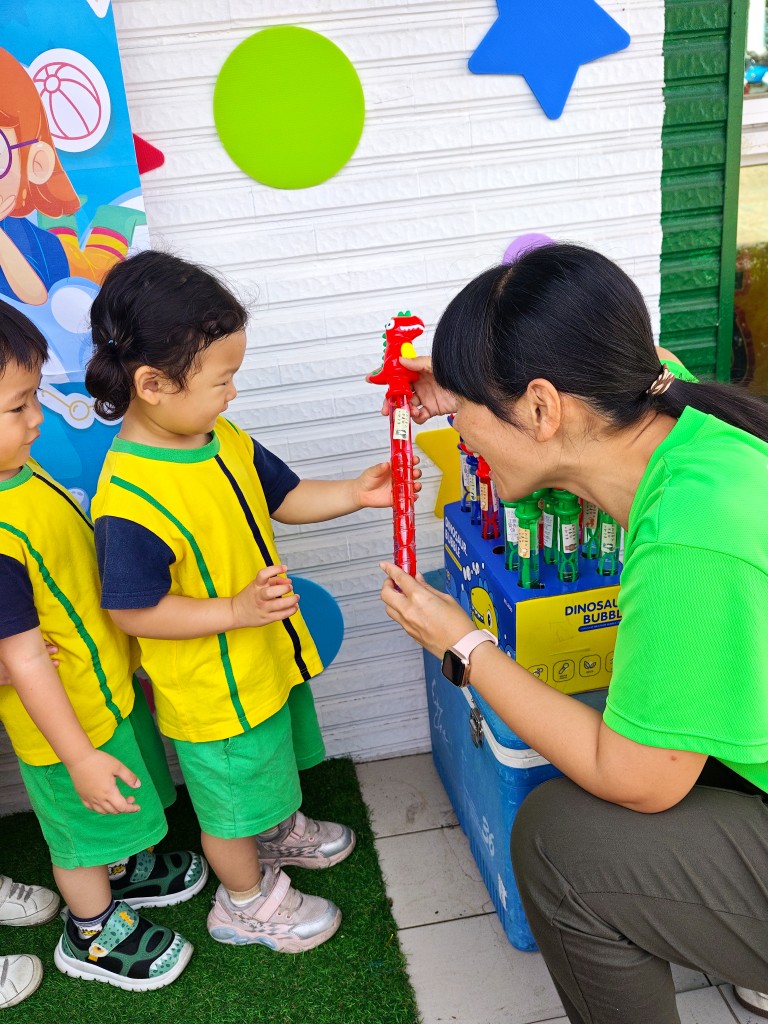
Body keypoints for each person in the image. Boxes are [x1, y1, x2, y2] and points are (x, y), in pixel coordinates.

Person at [378, 243, 768, 1024]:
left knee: (562, 844)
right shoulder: (681, 414)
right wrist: (455, 380)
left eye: (459, 417)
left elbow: (637, 778)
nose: (460, 436)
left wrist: (465, 646)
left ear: (542, 409)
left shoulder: (689, 537)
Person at [86, 250, 418, 953]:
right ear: (152, 384)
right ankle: (242, 902)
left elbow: (284, 496)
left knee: (266, 763)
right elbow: (133, 611)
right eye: (221, 380)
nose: (233, 393)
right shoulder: (130, 496)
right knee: (228, 808)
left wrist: (356, 493)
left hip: (261, 660)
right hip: (213, 691)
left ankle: (276, 830)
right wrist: (234, 612)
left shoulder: (218, 437)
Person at [0, 300, 206, 994]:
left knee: (119, 798)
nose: (37, 418)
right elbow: (23, 657)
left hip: (102, 688)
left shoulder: (21, 474)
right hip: (64, 726)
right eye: (18, 407)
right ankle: (90, 930)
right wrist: (78, 757)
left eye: (34, 397)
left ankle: (122, 868)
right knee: (80, 832)